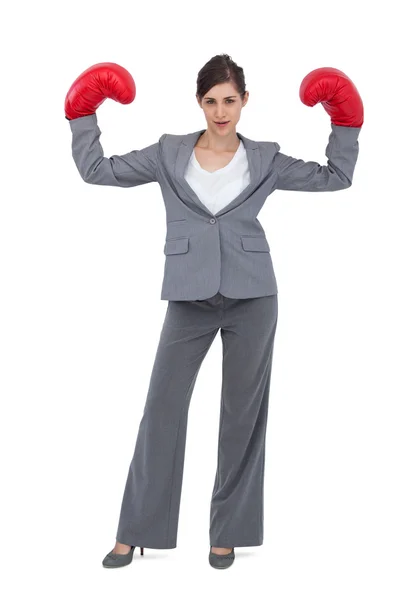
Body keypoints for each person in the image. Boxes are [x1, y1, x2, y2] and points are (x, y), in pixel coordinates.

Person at [65, 54, 363, 569]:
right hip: (189, 296)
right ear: (198, 103)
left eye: (229, 100)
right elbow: (98, 171)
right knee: (162, 408)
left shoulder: (267, 158)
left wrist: (346, 121)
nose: (220, 111)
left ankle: (228, 532)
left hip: (253, 297)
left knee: (241, 416)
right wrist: (82, 112)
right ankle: (135, 529)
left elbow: (336, 176)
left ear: (244, 101)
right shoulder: (167, 153)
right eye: (210, 101)